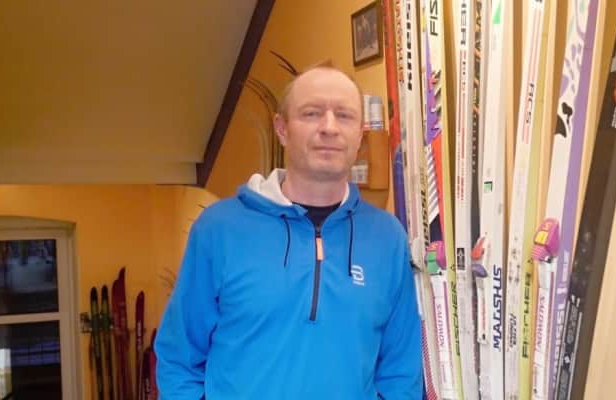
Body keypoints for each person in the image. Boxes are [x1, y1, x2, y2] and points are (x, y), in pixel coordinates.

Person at [155, 62, 422, 399]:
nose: (329, 127)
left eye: (344, 115)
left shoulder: (387, 238)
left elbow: (401, 372)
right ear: (281, 129)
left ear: (360, 135)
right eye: (312, 113)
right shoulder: (219, 229)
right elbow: (179, 360)